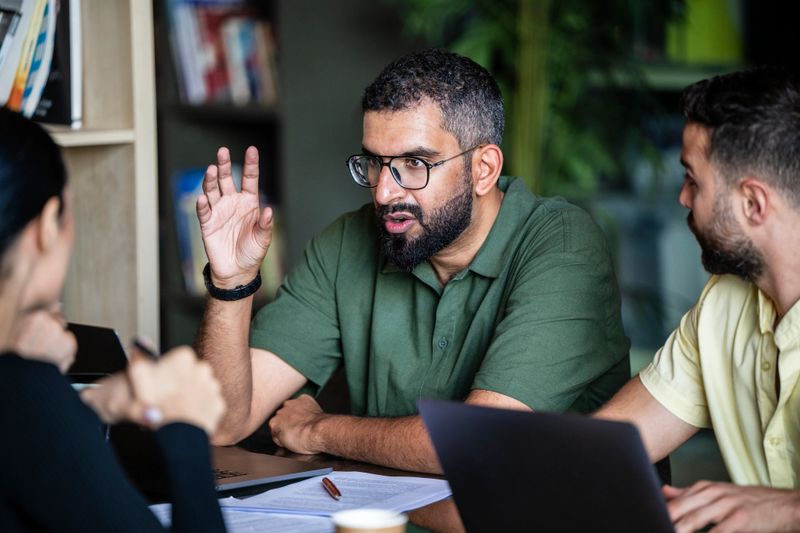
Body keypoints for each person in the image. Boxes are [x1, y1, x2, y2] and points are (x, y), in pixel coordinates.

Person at [197, 48, 629, 473]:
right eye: (374, 163)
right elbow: (219, 423)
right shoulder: (348, 241)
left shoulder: (564, 244)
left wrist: (319, 430)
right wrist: (231, 281)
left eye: (415, 163)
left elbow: (478, 442)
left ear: (484, 169)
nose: (384, 192)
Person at [0, 107, 227, 533]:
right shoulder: (24, 395)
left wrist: (85, 404)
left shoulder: (27, 392)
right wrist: (185, 429)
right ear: (47, 226)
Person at [597, 66, 800, 533]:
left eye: (693, 180)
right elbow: (609, 446)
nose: (683, 198)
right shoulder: (722, 306)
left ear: (753, 203)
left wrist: (787, 509)